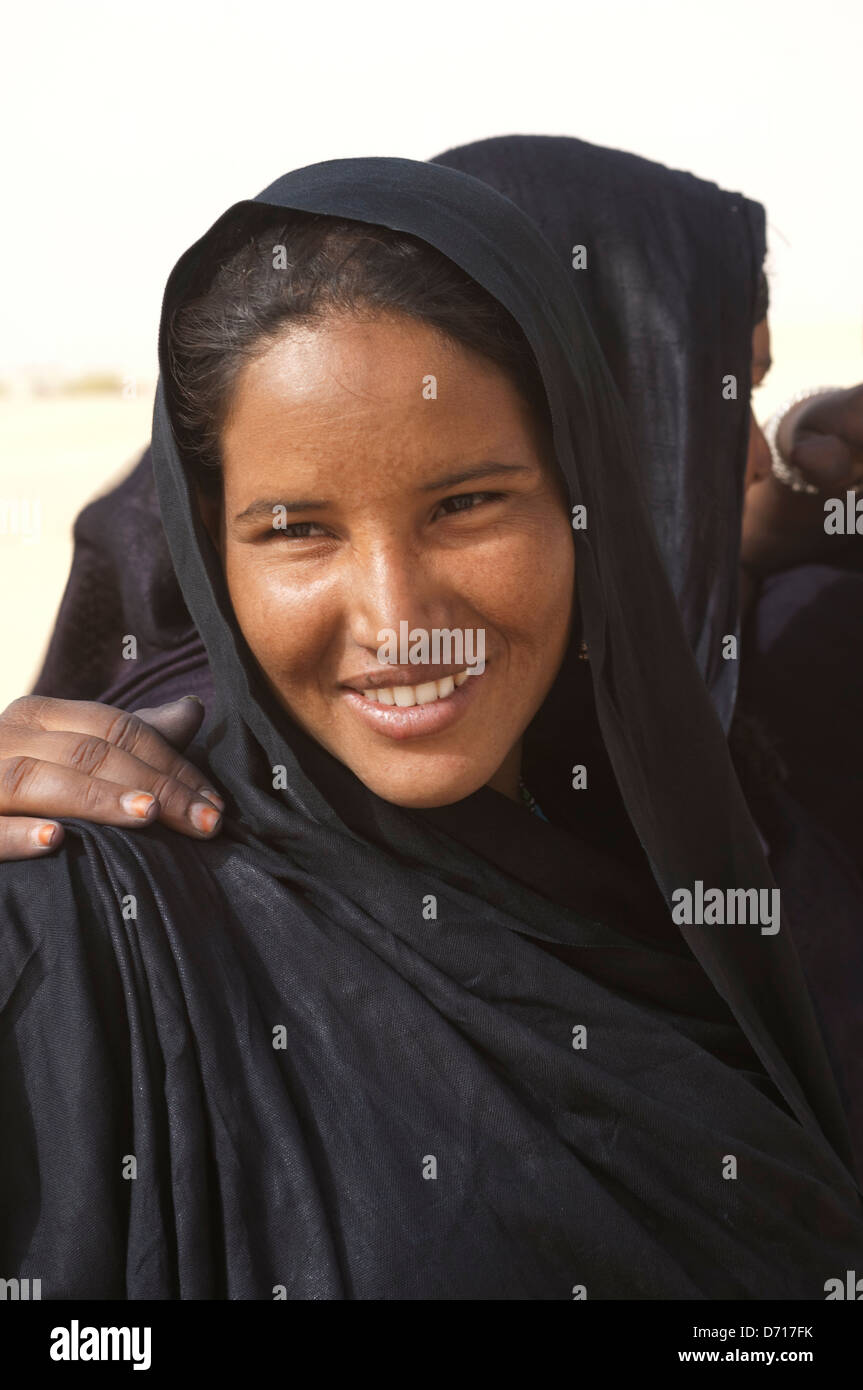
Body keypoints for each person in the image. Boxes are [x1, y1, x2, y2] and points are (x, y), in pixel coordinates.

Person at [1, 155, 861, 1300]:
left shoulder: (682, 825)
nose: (400, 620)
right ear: (210, 545)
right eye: (298, 529)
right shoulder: (86, 899)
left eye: (465, 504)